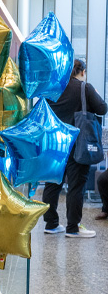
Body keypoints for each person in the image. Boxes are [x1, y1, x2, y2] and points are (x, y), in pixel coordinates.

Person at [43, 58, 107, 237]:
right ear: (82, 72)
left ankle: (51, 223)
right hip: (77, 144)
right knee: (76, 186)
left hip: (55, 143)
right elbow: (102, 108)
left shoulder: (53, 89)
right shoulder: (84, 88)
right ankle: (73, 227)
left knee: (53, 183)